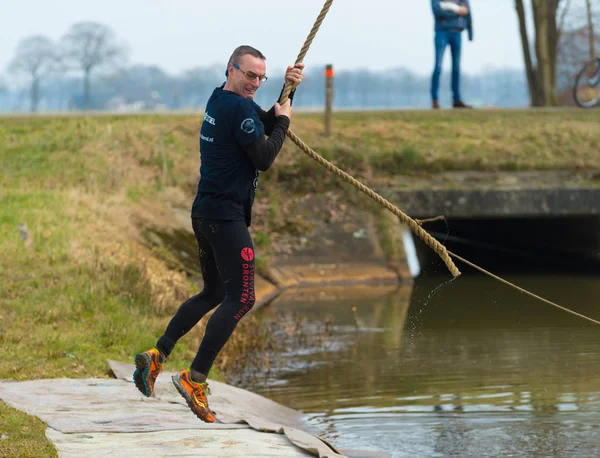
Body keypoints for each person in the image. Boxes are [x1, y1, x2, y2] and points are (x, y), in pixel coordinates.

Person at [133, 45, 304, 423]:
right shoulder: (239, 109)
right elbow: (264, 156)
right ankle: (194, 378)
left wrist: (288, 90)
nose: (255, 83)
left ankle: (157, 355)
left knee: (214, 293)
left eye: (261, 77)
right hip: (225, 218)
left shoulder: (219, 98)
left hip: (205, 212)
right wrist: (285, 122)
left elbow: (262, 119)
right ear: (231, 69)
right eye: (249, 75)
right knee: (242, 299)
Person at [430, 0, 473, 109]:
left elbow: (467, 12)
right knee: (438, 66)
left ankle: (456, 99)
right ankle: (435, 99)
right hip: (441, 32)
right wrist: (458, 10)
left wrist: (470, 31)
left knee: (456, 68)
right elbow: (438, 11)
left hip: (457, 32)